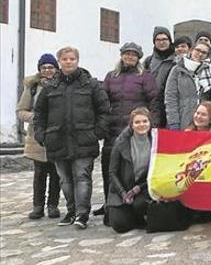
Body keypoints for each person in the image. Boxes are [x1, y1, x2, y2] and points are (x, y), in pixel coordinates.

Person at [33, 46, 110, 229]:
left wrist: (97, 133)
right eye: (65, 59)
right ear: (60, 62)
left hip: (84, 140)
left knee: (82, 177)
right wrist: (41, 135)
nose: (68, 62)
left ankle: (82, 214)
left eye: (72, 59)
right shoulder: (50, 86)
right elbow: (39, 114)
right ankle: (71, 210)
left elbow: (104, 110)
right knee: (65, 180)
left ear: (77, 61)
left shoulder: (90, 84)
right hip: (57, 141)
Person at [99, 42, 157, 224]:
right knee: (110, 167)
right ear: (122, 55)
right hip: (114, 128)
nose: (129, 57)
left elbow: (154, 100)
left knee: (134, 167)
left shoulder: (145, 76)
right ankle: (111, 202)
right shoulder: (111, 76)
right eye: (127, 54)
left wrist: (152, 124)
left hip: (138, 127)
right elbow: (103, 101)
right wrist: (104, 124)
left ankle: (135, 199)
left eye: (133, 54)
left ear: (138, 57)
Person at [16, 53, 61, 220]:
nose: (48, 70)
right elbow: (21, 111)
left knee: (57, 173)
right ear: (39, 69)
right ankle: (38, 206)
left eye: (51, 67)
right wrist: (37, 118)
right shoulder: (32, 87)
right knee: (40, 173)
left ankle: (53, 205)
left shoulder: (61, 84)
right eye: (44, 68)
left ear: (56, 69)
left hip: (57, 135)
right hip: (37, 137)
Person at [106, 107, 154, 234]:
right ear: (131, 125)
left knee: (140, 205)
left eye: (145, 121)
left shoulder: (155, 141)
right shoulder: (121, 142)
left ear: (150, 123)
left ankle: (139, 215)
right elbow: (112, 172)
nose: (141, 125)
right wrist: (122, 192)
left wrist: (139, 188)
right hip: (122, 189)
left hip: (142, 188)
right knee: (119, 225)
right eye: (137, 122)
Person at [165, 42, 211, 130]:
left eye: (204, 52)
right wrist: (173, 122)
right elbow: (170, 97)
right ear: (191, 50)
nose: (200, 54)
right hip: (183, 118)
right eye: (198, 50)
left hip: (203, 122)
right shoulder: (177, 70)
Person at [144, 26, 176, 128]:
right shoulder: (148, 61)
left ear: (170, 41)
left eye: (164, 39)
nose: (161, 42)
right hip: (153, 107)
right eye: (158, 40)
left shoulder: (177, 60)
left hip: (171, 105)